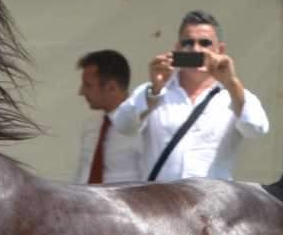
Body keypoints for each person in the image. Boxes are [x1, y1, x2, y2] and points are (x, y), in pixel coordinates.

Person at [109, 10, 270, 182]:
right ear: (177, 48)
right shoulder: (152, 91)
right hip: (160, 203)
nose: (195, 49)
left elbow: (256, 129)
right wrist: (155, 91)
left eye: (205, 43)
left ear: (220, 50)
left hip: (213, 203)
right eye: (188, 43)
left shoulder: (233, 94)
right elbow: (123, 125)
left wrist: (231, 83)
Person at [73, 50, 146, 183]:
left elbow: (150, 183)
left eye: (88, 85)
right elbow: (83, 175)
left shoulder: (143, 128)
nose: (81, 92)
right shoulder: (92, 126)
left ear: (111, 88)